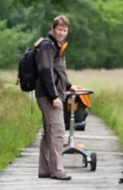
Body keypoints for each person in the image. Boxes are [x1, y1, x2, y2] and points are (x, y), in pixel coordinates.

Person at [35, 15, 77, 180]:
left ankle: (45, 169)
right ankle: (57, 170)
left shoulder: (56, 46)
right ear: (53, 29)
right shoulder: (47, 46)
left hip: (52, 93)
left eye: (64, 30)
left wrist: (68, 86)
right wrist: (54, 96)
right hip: (47, 95)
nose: (61, 32)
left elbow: (58, 71)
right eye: (59, 29)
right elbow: (46, 72)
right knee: (57, 132)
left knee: (49, 132)